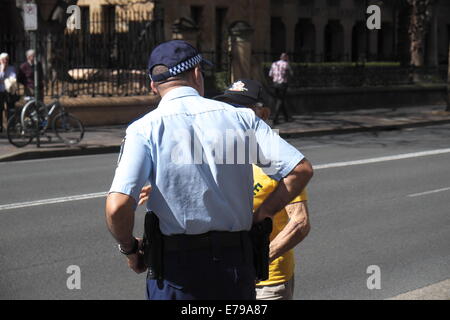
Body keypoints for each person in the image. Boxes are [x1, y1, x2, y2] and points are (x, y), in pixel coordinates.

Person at [105, 40, 313, 300]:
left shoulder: (144, 129)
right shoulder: (240, 118)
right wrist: (264, 213)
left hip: (176, 268)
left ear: (153, 85)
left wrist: (130, 249)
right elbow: (300, 170)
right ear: (196, 74)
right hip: (234, 265)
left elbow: (117, 206)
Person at [214, 79, 311, 300]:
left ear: (264, 114)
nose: (232, 116)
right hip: (227, 276)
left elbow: (300, 223)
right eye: (228, 109)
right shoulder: (222, 153)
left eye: (241, 110)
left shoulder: (279, 160)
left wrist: (259, 259)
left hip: (267, 282)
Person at [269, 53, 293, 125]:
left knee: (280, 100)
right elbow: (291, 73)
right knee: (280, 100)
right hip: (282, 84)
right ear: (285, 58)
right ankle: (275, 118)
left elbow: (270, 74)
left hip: (275, 84)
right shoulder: (286, 64)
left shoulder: (274, 64)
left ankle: (287, 117)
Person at [0, 52, 17, 132]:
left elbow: (13, 78)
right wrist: (3, 70)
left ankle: (11, 126)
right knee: (0, 109)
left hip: (9, 91)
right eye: (3, 59)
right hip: (1, 91)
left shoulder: (11, 68)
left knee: (11, 109)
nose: (5, 61)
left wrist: (3, 80)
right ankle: (0, 127)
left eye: (6, 59)